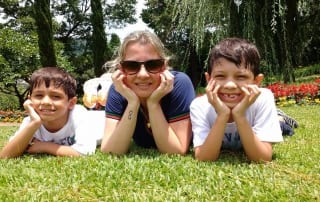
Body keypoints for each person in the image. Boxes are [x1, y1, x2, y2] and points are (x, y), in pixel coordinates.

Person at [100, 30, 195, 155]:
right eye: (132, 66)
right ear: (121, 69)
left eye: (153, 65)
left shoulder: (179, 84)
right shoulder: (118, 90)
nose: (143, 74)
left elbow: (176, 151)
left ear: (164, 66)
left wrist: (153, 104)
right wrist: (133, 103)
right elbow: (111, 151)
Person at [190, 38, 283, 162]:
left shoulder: (263, 98)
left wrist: (239, 115)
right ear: (208, 79)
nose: (230, 85)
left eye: (241, 76)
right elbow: (204, 158)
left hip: (266, 119)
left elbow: (263, 158)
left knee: (284, 127)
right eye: (220, 76)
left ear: (257, 81)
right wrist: (222, 115)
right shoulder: (199, 106)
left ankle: (282, 118)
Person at [0, 67, 98, 158]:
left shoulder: (79, 115)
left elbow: (85, 152)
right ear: (30, 100)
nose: (46, 102)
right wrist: (34, 124)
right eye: (39, 95)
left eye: (56, 96)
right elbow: (5, 156)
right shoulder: (31, 121)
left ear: (71, 103)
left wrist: (44, 146)